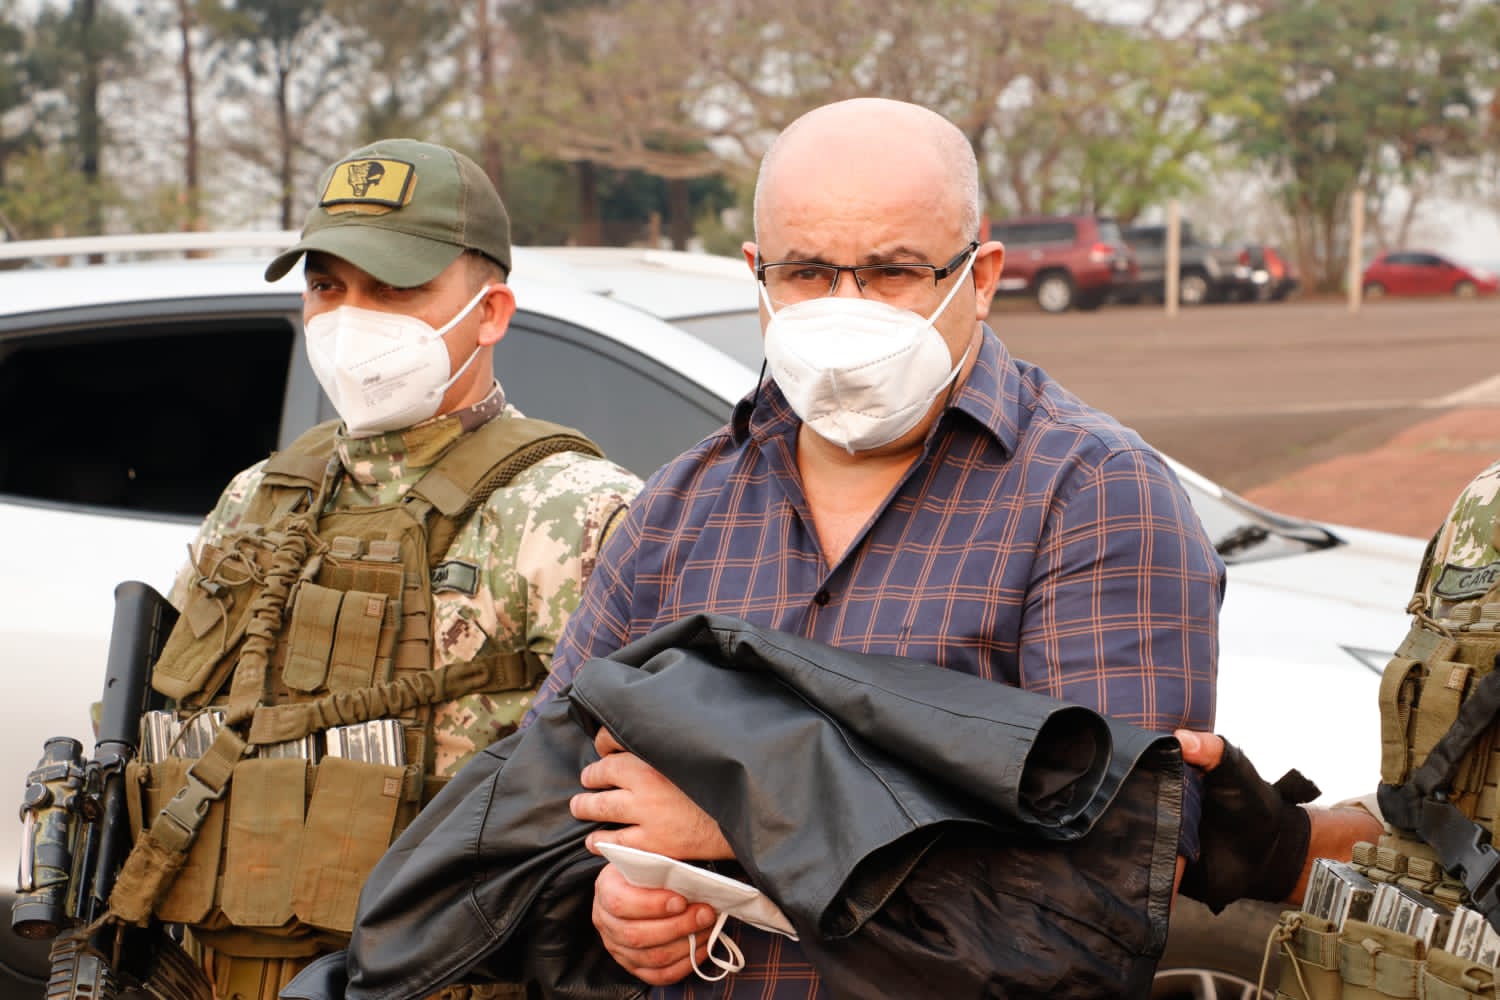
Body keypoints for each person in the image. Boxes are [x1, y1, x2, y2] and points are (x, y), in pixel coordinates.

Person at [523, 97, 1225, 995]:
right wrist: (615, 902)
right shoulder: (677, 509)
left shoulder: (1093, 497)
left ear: (980, 275)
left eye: (893, 271)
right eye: (809, 272)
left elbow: (1111, 894)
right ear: (758, 274)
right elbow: (546, 803)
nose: (845, 309)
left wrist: (747, 817)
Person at [105, 138, 642, 1000]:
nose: (354, 317)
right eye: (329, 287)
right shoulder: (258, 496)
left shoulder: (579, 512)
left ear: (492, 311)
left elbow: (635, 795)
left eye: (395, 288)